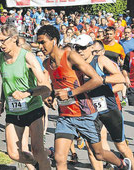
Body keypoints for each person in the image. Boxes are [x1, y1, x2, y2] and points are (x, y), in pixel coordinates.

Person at [37, 25, 131, 170]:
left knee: (99, 154)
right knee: (59, 158)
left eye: (43, 42)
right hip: (65, 116)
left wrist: (70, 93)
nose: (40, 46)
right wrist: (51, 95)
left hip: (85, 115)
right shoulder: (47, 63)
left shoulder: (70, 56)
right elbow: (57, 82)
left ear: (54, 40)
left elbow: (97, 79)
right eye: (38, 43)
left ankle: (122, 164)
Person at [0, 24, 51, 170]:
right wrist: (2, 100)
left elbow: (45, 86)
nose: (0, 44)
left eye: (2, 41)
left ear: (14, 38)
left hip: (33, 108)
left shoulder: (28, 57)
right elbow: (5, 81)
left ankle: (42, 161)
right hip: (13, 110)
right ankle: (36, 164)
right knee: (13, 153)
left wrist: (27, 93)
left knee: (38, 150)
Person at [74, 35, 133, 170]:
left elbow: (120, 78)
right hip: (89, 112)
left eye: (82, 48)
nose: (79, 51)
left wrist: (101, 79)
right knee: (92, 149)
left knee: (121, 146)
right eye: (77, 48)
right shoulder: (75, 65)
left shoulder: (100, 60)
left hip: (108, 109)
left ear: (91, 48)